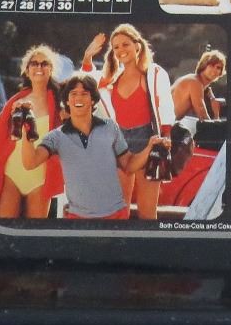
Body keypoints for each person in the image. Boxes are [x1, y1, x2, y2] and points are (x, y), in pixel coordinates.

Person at [19, 73, 160, 220]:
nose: (78, 98)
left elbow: (129, 165)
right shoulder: (57, 136)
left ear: (93, 100)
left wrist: (149, 148)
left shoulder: (110, 127)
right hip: (78, 219)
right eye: (73, 94)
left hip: (116, 216)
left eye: (84, 94)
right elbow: (30, 162)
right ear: (67, 101)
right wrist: (26, 130)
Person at [79, 25, 177, 220]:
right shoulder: (113, 78)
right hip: (119, 142)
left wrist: (166, 136)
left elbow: (166, 106)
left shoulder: (154, 73)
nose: (121, 50)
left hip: (147, 140)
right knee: (118, 210)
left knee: (147, 212)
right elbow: (85, 83)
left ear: (137, 45)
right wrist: (87, 57)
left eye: (125, 44)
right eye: (116, 47)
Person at [0, 44, 65, 219]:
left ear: (51, 69)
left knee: (34, 231)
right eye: (34, 63)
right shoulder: (15, 101)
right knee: (4, 227)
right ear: (27, 70)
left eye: (44, 63)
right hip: (11, 174)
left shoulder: (59, 101)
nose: (39, 67)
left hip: (40, 178)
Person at [172, 49, 227, 120]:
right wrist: (216, 122)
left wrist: (216, 113)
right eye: (211, 65)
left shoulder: (201, 86)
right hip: (163, 124)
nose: (214, 70)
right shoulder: (194, 82)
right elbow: (203, 116)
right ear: (204, 66)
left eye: (218, 67)